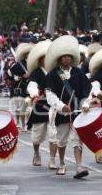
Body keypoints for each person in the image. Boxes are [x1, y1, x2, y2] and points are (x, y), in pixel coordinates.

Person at [44, 35, 93, 179]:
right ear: (59, 59)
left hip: (77, 111)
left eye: (69, 57)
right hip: (62, 112)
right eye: (64, 57)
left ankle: (79, 166)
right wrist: (61, 106)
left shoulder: (78, 73)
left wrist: (85, 104)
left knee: (77, 139)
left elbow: (86, 91)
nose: (67, 59)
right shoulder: (53, 75)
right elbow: (49, 94)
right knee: (62, 139)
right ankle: (62, 163)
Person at [26, 40, 58, 169]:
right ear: (40, 60)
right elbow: (32, 85)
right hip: (40, 106)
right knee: (37, 136)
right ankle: (36, 152)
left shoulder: (57, 72)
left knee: (54, 134)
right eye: (45, 58)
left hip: (55, 106)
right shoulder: (36, 73)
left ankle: (52, 159)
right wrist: (34, 94)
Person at [8, 43, 34, 132]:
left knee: (26, 107)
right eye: (28, 53)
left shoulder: (34, 64)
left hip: (30, 87)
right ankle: (19, 122)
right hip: (19, 87)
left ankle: (25, 124)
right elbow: (9, 73)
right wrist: (21, 77)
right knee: (19, 107)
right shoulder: (19, 64)